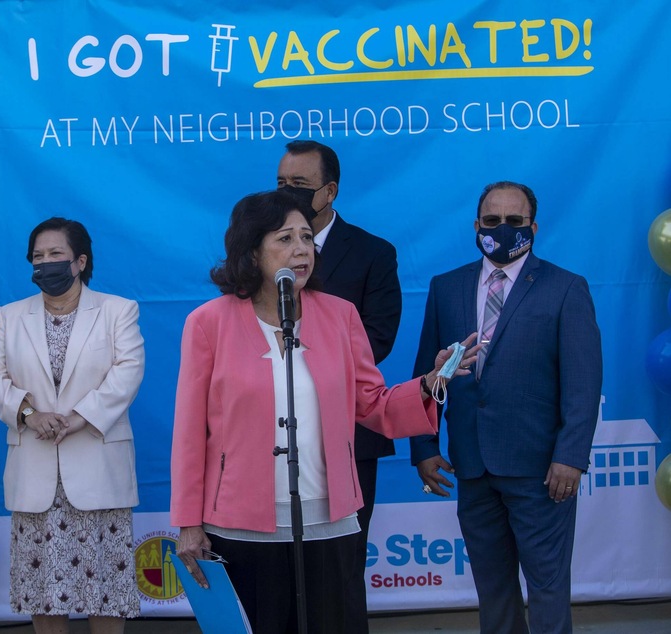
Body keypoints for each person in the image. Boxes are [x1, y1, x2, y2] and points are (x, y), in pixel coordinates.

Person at [170, 190, 479, 634]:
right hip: (240, 525)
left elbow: (373, 405)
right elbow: (188, 433)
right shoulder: (208, 323)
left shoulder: (340, 315)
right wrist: (188, 524)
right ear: (252, 251)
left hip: (328, 521)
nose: (301, 249)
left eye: (306, 237)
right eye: (285, 239)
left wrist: (430, 384)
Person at [411, 181, 602, 634]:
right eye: (492, 221)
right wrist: (423, 445)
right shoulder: (446, 287)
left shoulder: (566, 288)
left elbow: (583, 382)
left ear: (533, 227)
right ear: (476, 226)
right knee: (492, 590)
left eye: (514, 221)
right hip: (473, 467)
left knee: (548, 588)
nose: (502, 229)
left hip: (541, 471)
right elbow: (427, 374)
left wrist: (570, 457)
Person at [0, 217, 145, 634]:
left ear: (80, 261)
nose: (45, 263)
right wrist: (30, 415)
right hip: (36, 476)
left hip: (98, 469)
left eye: (56, 255)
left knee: (105, 592)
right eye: (38, 256)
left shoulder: (117, 311)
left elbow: (128, 372)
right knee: (44, 592)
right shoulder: (9, 317)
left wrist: (77, 418)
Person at [277, 140, 401, 631]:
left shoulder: (373, 252)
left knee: (342, 564)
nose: (286, 192)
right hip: (272, 432)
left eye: (299, 186)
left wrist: (309, 365)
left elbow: (378, 338)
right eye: (281, 183)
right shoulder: (261, 248)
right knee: (279, 567)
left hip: (349, 428)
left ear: (329, 192)